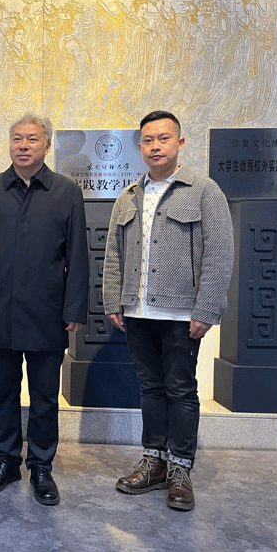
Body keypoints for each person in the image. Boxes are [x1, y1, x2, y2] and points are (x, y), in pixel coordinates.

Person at [103, 110, 233, 511]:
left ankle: (180, 468)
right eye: (148, 140)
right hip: (138, 311)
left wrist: (207, 308)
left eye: (163, 138)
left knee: (181, 388)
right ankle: (154, 461)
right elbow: (113, 254)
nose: (155, 146)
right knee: (150, 388)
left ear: (180, 143)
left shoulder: (204, 191)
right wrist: (113, 300)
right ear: (140, 146)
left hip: (181, 314)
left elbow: (220, 253)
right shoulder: (128, 196)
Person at [0, 113, 88, 506]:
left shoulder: (66, 192)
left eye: (32, 139)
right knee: (2, 392)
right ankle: (5, 461)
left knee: (44, 396)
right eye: (17, 138)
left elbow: (77, 256)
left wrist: (74, 308)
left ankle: (41, 466)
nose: (23, 145)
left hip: (47, 313)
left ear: (47, 146)